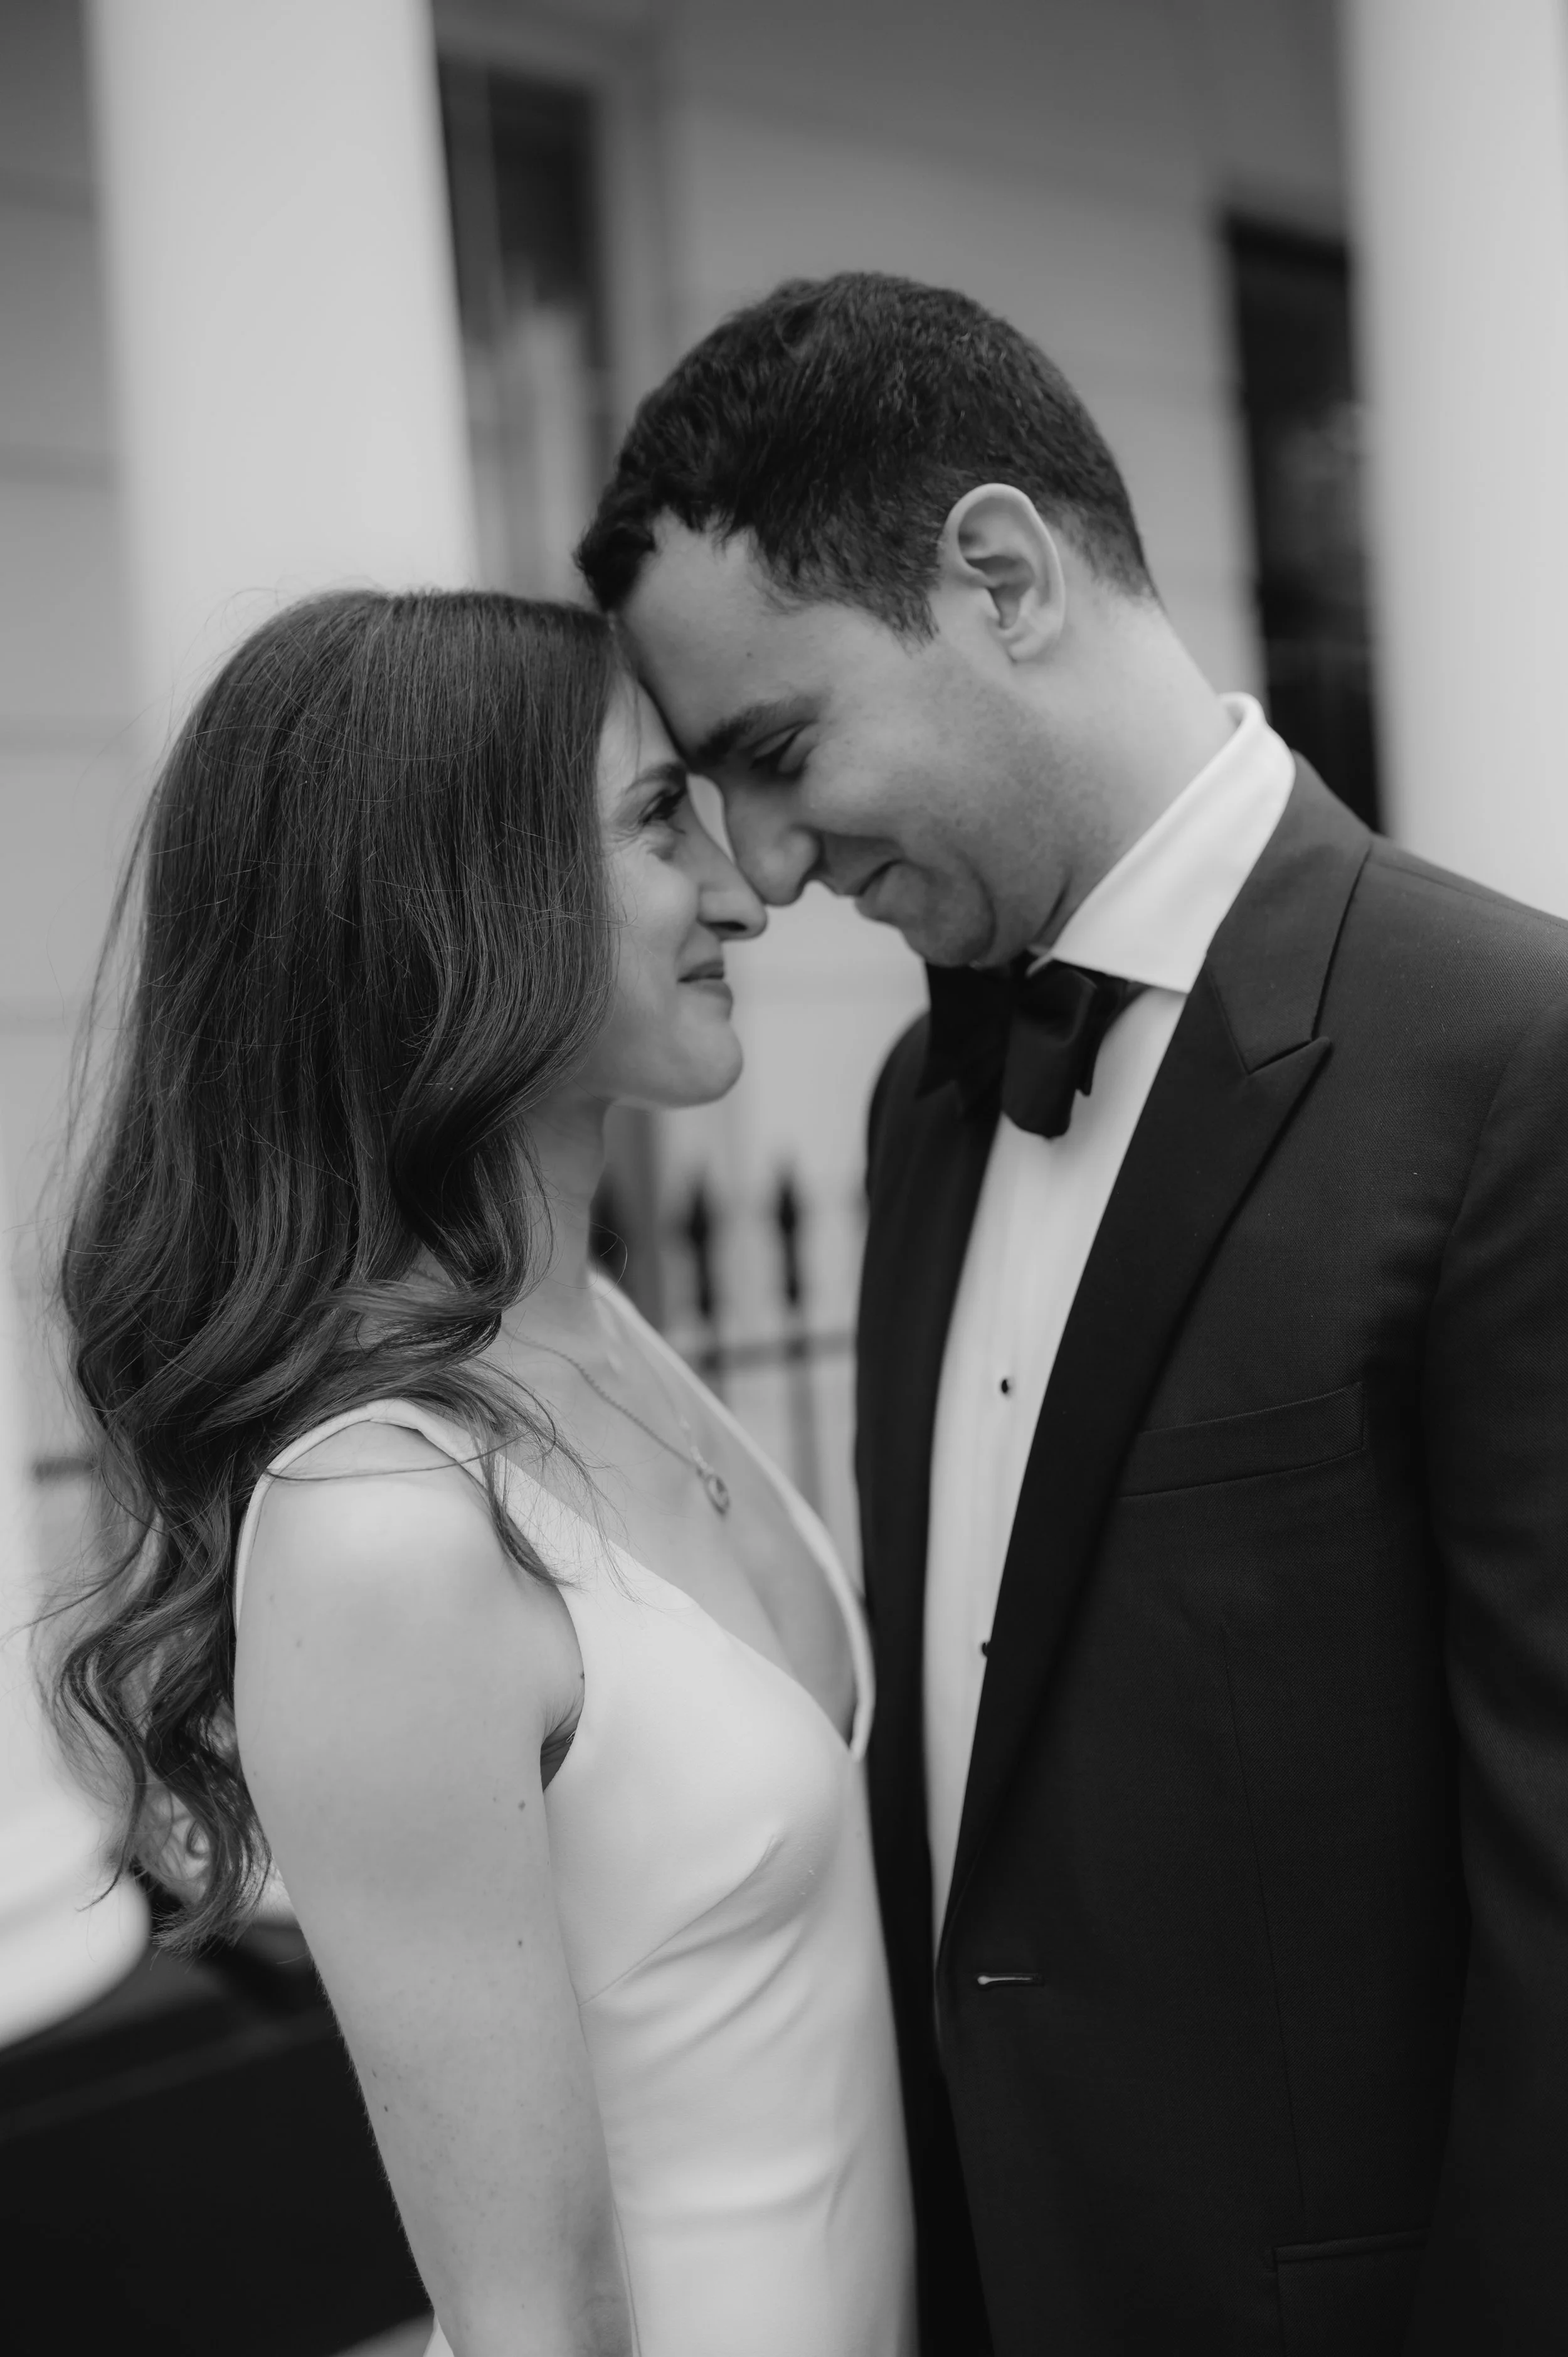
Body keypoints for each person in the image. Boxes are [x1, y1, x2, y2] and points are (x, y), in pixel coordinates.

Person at [576, 271, 1568, 2355]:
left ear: (1000, 577)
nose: (757, 863)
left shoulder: (1507, 1060)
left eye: (776, 748)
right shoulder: (910, 1099)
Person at [50, 588, 915, 2357]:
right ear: (456, 904)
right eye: (657, 819)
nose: (745, 889)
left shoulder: (601, 1329)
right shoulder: (384, 1528)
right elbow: (529, 2317)